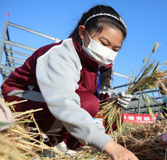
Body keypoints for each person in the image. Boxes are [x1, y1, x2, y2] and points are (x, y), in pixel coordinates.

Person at [1, 5, 138, 160]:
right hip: (20, 98)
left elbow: (98, 103)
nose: (109, 52)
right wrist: (110, 145)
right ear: (83, 32)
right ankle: (46, 142)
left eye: (115, 49)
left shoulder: (101, 67)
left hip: (51, 103)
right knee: (87, 103)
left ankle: (67, 145)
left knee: (107, 111)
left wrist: (114, 102)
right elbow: (63, 101)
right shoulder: (61, 54)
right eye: (104, 43)